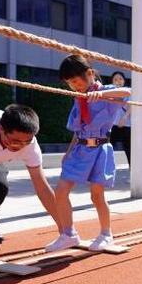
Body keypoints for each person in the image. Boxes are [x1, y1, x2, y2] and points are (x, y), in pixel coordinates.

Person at [45, 55, 130, 252]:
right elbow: (78, 129)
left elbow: (128, 91)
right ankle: (68, 234)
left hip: (100, 149)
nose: (74, 86)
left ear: (90, 73)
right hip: (80, 149)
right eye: (69, 83)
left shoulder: (106, 92)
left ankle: (106, 234)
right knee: (61, 191)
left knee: (97, 195)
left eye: (75, 81)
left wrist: (100, 95)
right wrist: (68, 152)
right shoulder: (79, 98)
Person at [0, 105, 61, 253]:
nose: (19, 146)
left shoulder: (30, 145)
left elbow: (42, 187)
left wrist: (65, 229)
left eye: (25, 142)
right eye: (14, 141)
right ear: (1, 129)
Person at [109, 71, 131, 165]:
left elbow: (131, 105)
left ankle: (133, 172)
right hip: (112, 124)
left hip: (126, 124)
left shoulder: (129, 90)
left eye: (120, 79)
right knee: (109, 148)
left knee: (129, 149)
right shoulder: (109, 92)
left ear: (124, 80)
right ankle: (104, 171)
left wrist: (125, 117)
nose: (118, 81)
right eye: (115, 79)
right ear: (112, 82)